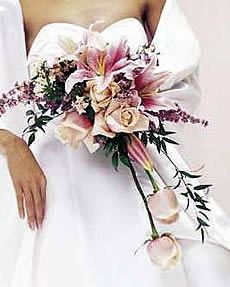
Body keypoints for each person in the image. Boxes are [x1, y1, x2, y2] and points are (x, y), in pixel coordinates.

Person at [0, 0, 229, 286]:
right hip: (55, 174)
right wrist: (11, 144)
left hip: (138, 160)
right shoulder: (16, 5)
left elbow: (181, 81)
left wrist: (125, 103)